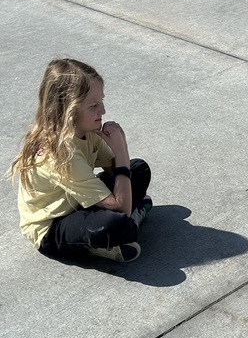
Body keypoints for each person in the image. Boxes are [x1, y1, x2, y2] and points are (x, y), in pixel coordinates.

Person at [9, 58, 152, 263]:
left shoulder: (87, 131)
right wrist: (121, 152)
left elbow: (117, 172)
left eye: (101, 100)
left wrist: (122, 158)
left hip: (78, 203)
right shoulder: (59, 154)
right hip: (52, 227)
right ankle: (112, 236)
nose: (102, 110)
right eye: (93, 105)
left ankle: (128, 224)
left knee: (138, 169)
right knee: (117, 221)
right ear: (68, 111)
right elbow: (121, 207)